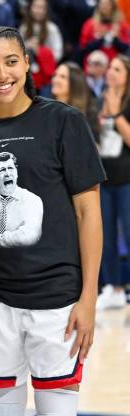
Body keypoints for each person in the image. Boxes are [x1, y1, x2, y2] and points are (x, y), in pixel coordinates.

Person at [0, 26, 105, 416]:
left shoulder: (63, 121)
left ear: (27, 63)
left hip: (58, 298)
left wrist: (88, 297)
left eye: (11, 61)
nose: (2, 74)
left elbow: (88, 211)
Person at [96, 54, 130, 309]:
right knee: (105, 236)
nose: (111, 72)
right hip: (105, 180)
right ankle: (114, 287)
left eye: (117, 69)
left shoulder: (126, 103)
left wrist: (116, 114)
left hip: (127, 178)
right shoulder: (99, 100)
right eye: (110, 68)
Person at [0, 151, 43, 248]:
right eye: (2, 170)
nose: (8, 174)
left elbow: (29, 237)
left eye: (11, 168)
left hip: (25, 259)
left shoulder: (32, 200)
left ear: (16, 173)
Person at [51, 61, 100, 140]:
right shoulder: (47, 109)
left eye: (62, 77)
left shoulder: (88, 112)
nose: (55, 79)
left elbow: (95, 146)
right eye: (55, 75)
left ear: (75, 82)